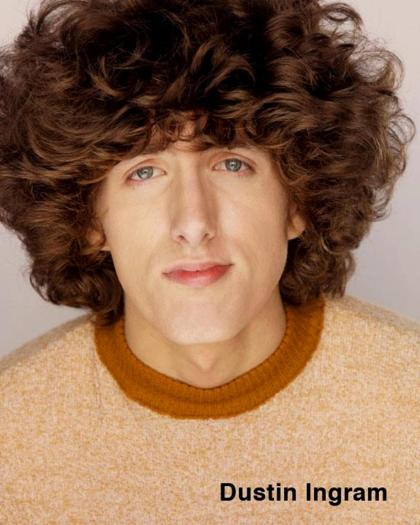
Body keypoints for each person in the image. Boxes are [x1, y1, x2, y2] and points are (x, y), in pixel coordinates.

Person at [0, 0, 418, 522]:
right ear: (90, 222)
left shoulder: (409, 398)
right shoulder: (10, 437)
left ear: (299, 202)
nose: (194, 223)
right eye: (144, 173)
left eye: (232, 164)